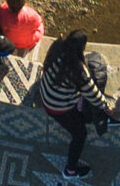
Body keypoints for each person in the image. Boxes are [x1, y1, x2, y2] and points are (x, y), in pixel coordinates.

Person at [38, 30, 112, 176]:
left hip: (45, 95)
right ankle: (70, 170)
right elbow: (93, 95)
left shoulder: (56, 48)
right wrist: (106, 106)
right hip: (58, 109)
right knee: (80, 135)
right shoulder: (78, 70)